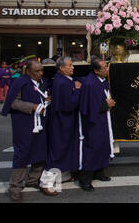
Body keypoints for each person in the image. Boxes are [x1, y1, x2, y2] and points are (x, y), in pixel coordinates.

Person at [1, 61, 51, 202]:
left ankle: (33, 180)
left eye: (41, 70)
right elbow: (13, 102)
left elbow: (43, 96)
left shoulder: (42, 82)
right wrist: (32, 106)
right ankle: (15, 187)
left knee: (41, 151)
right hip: (24, 123)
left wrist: (47, 100)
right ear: (28, 71)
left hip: (41, 123)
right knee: (22, 153)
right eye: (37, 71)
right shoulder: (20, 82)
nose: (40, 73)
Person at [39, 57, 82, 194]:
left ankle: (63, 175)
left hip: (64, 119)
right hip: (62, 120)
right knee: (58, 149)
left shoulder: (61, 79)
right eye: (69, 65)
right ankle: (46, 182)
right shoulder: (62, 82)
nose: (72, 67)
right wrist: (77, 90)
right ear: (61, 68)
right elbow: (69, 104)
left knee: (66, 147)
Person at [78, 58, 116, 191]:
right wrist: (107, 104)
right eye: (104, 68)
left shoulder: (101, 80)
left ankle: (99, 172)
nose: (106, 70)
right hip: (93, 122)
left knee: (103, 145)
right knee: (92, 147)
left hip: (102, 118)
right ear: (95, 70)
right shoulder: (90, 84)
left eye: (106, 67)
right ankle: (85, 179)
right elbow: (88, 107)